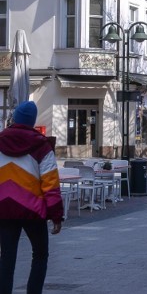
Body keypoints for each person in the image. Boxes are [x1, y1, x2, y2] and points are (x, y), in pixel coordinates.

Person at [0, 101, 63, 294]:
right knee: (40, 255)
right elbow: (50, 184)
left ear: (15, 119)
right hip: (33, 211)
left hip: (4, 209)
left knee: (7, 257)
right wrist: (56, 215)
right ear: (32, 122)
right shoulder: (41, 146)